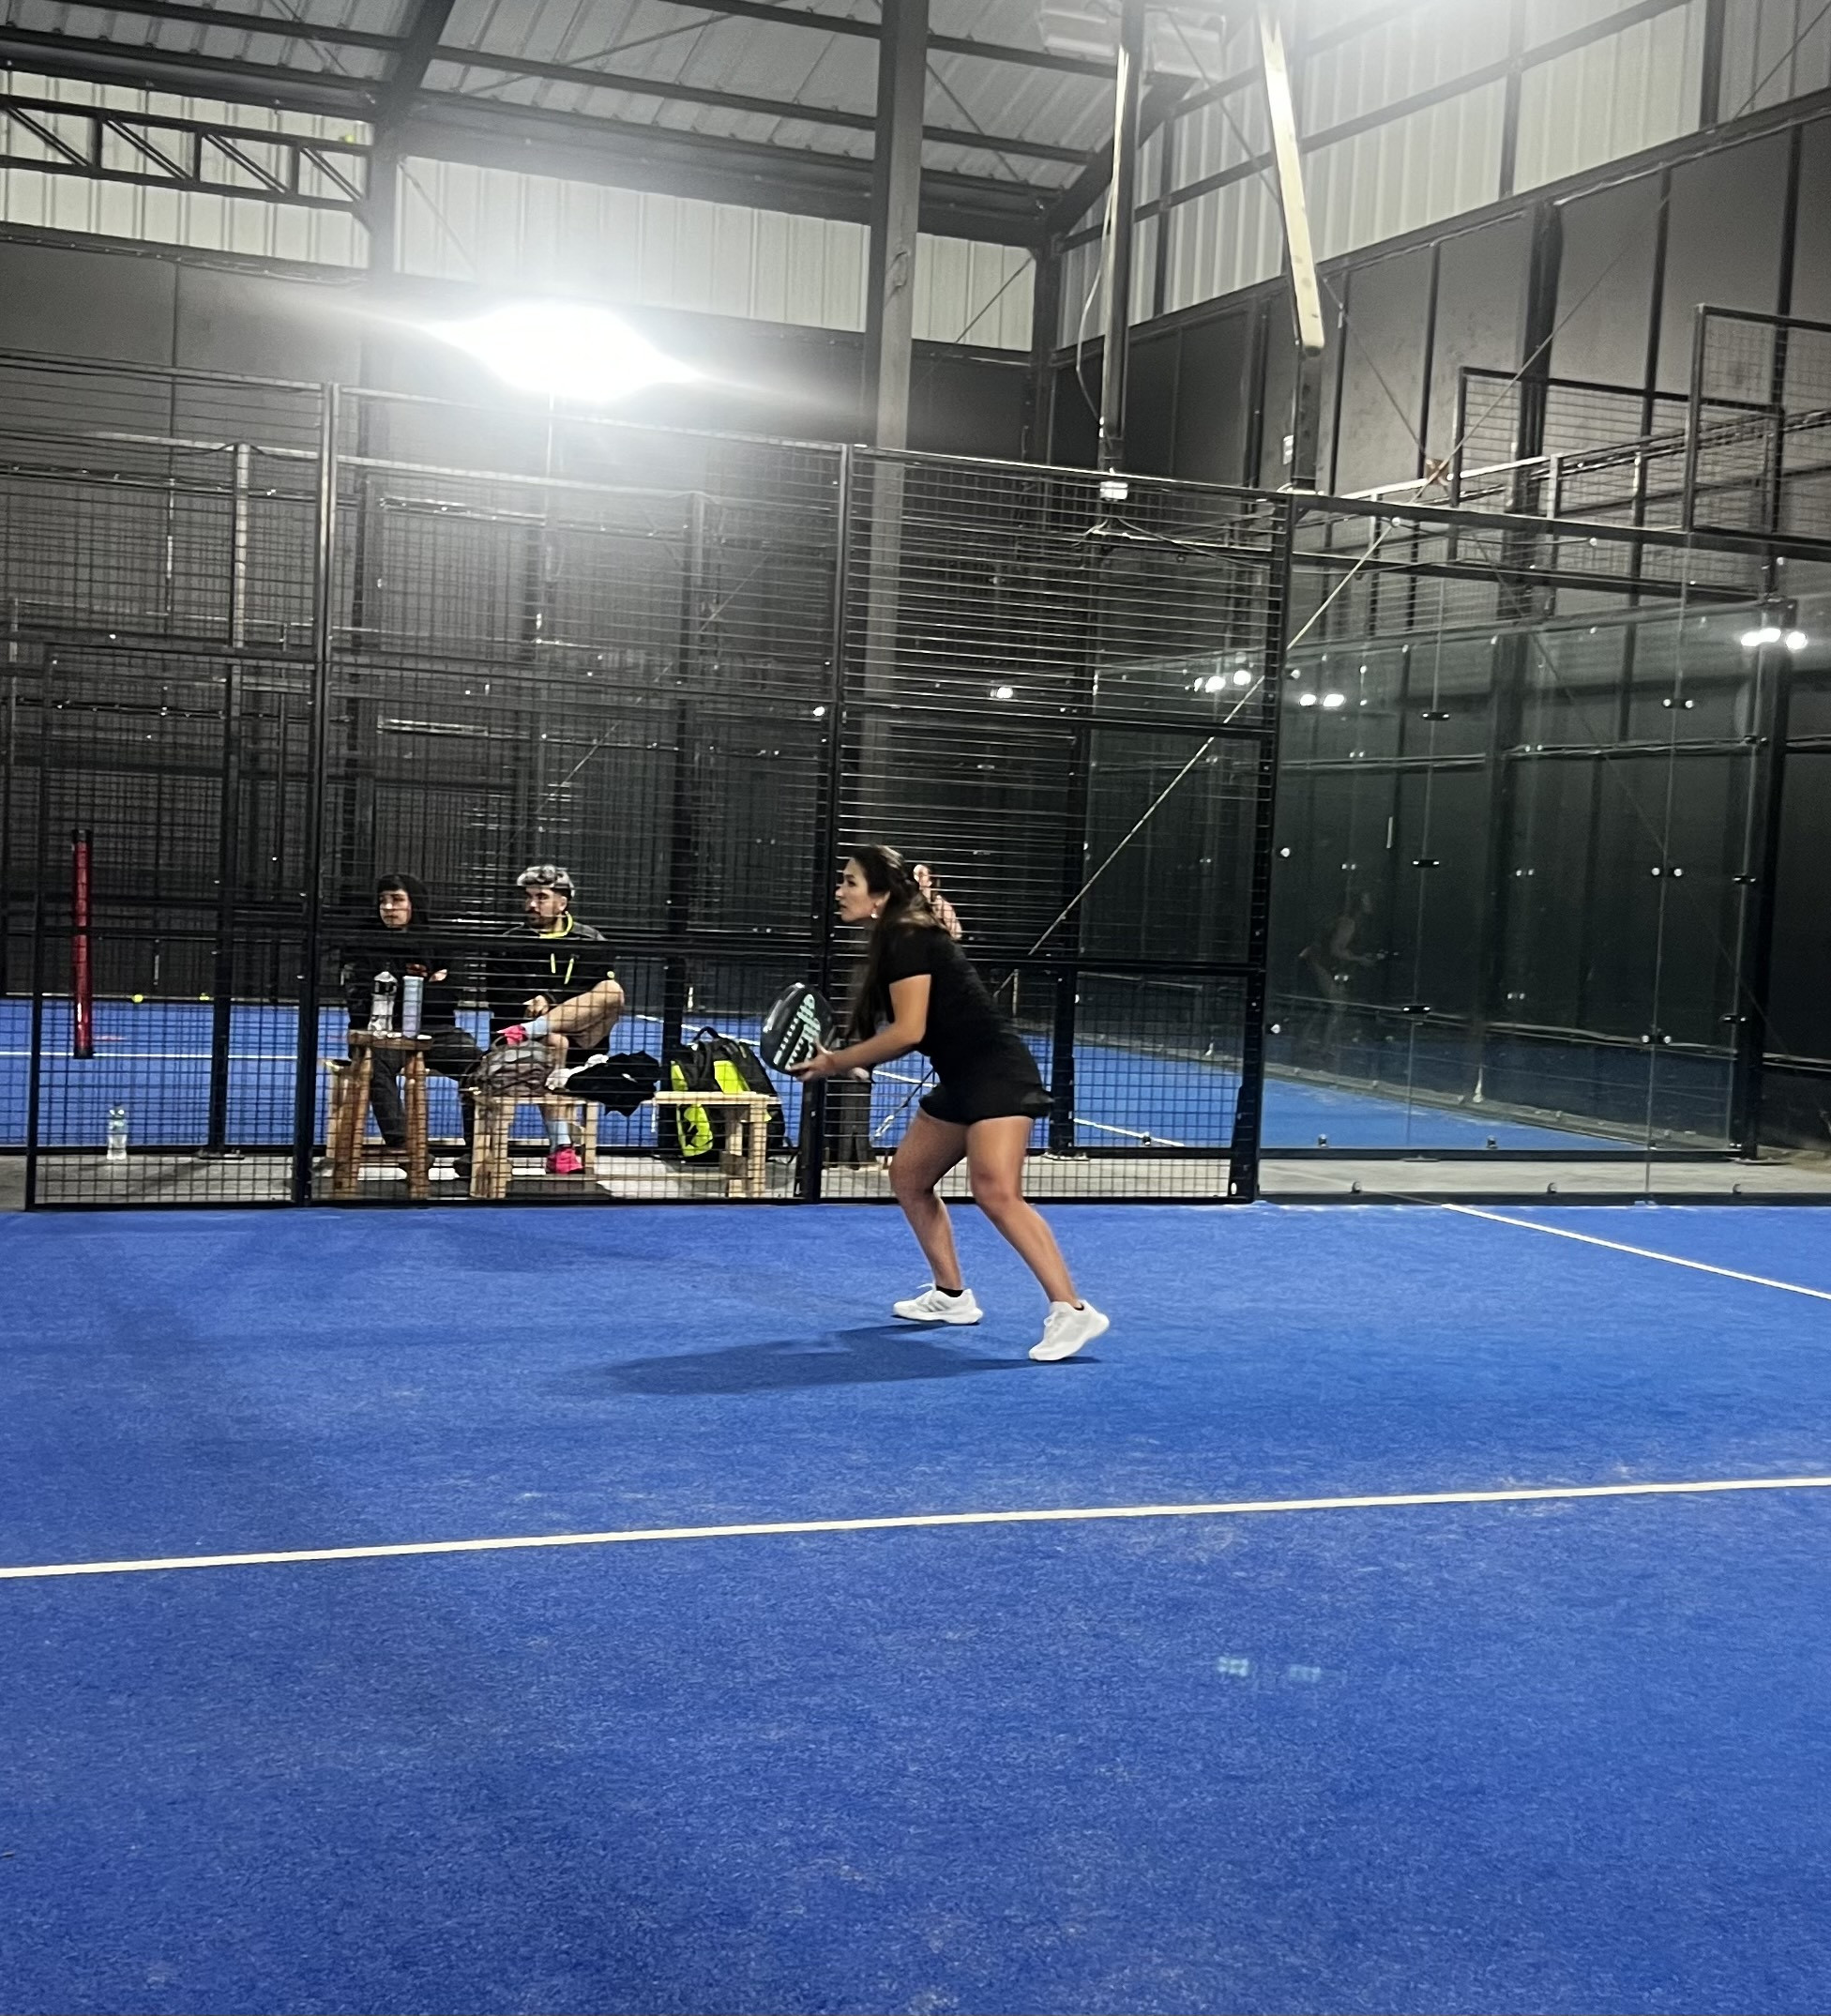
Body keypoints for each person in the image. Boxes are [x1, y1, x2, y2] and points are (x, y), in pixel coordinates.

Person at [793, 844, 1107, 1363]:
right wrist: (854, 1057)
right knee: (909, 1176)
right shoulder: (898, 935)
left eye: (850, 881)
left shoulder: (909, 937)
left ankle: (1071, 1310)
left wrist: (835, 1061)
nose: (840, 891)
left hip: (997, 1075)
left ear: (880, 894)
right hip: (961, 1078)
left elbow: (910, 1031)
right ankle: (952, 1296)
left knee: (996, 1193)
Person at [489, 863, 626, 1176]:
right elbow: (498, 998)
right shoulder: (508, 942)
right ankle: (561, 1148)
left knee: (612, 990)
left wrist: (549, 1001)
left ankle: (531, 1029)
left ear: (562, 903)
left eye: (541, 897)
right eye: (528, 897)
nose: (531, 904)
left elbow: (596, 994)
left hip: (587, 1035)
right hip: (537, 1041)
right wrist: (526, 1006)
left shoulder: (591, 940)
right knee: (555, 1041)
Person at [340, 872, 479, 1169]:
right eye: (383, 901)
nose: (388, 908)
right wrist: (424, 985)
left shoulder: (440, 941)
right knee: (372, 1066)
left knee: (481, 1067)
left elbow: (449, 997)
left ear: (414, 903)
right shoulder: (361, 943)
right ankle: (406, 1149)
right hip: (381, 1031)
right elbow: (360, 1000)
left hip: (436, 1030)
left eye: (397, 900)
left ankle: (476, 1153)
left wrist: (400, 988)